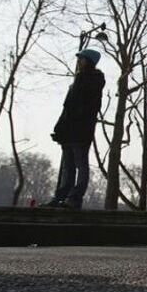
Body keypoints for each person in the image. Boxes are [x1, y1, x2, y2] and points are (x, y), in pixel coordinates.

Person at [44, 49, 105, 209]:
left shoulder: (91, 81)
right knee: (69, 166)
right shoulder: (82, 80)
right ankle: (63, 197)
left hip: (80, 130)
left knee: (78, 164)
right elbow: (67, 107)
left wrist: (67, 123)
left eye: (81, 59)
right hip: (71, 129)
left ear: (88, 61)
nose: (78, 62)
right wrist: (60, 127)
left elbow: (78, 107)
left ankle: (74, 198)